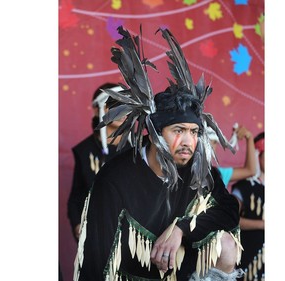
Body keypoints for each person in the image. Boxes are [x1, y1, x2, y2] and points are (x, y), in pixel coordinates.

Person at [73, 26, 244, 281]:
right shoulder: (116, 177)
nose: (189, 141)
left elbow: (229, 210)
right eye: (178, 130)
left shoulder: (197, 170)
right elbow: (96, 258)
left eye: (195, 132)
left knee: (226, 246)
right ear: (154, 134)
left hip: (177, 272)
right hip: (128, 275)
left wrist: (182, 229)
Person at [67, 82, 131, 240]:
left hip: (134, 235)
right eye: (113, 105)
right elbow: (76, 197)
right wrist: (77, 224)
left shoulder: (140, 148)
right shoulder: (84, 150)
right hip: (97, 233)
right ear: (97, 110)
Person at [231, 132, 265, 281]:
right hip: (250, 255)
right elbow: (232, 220)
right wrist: (263, 224)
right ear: (258, 156)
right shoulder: (244, 187)